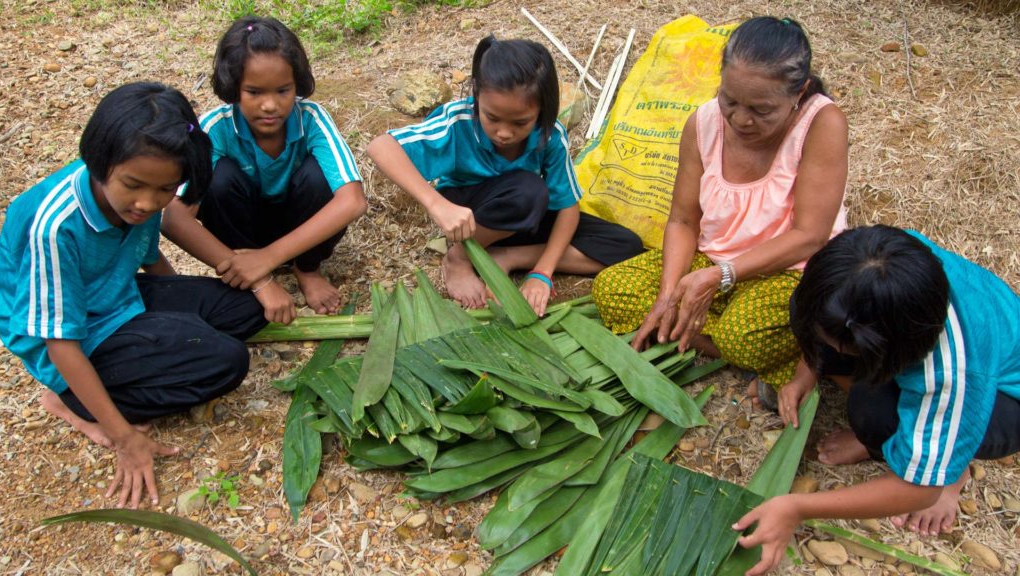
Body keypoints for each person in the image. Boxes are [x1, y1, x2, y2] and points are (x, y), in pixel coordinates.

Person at [0, 82, 269, 509]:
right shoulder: (53, 225)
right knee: (227, 362)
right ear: (100, 160)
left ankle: (130, 364)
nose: (147, 203)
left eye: (165, 191)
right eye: (134, 185)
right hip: (72, 339)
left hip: (116, 297)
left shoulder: (140, 191)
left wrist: (179, 306)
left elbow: (146, 254)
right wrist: (125, 439)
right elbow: (60, 342)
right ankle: (68, 400)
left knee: (247, 308)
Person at [734, 225, 1020, 574]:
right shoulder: (867, 260)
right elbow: (821, 316)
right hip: (926, 342)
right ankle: (914, 440)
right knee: (805, 309)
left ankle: (952, 469)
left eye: (838, 347)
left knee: (874, 414)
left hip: (1004, 401)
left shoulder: (949, 374)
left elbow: (918, 491)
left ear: (890, 354)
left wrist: (797, 507)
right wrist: (805, 372)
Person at [591, 16, 848, 406]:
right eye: (730, 100)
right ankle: (706, 331)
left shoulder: (821, 124)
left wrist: (721, 276)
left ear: (801, 92)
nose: (741, 119)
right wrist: (667, 295)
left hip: (790, 271)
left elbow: (809, 236)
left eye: (761, 110)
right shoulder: (704, 122)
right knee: (613, 290)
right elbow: (682, 219)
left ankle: (759, 347)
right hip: (712, 260)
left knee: (741, 335)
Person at [366, 36, 644, 316]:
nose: (504, 133)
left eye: (520, 122)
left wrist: (542, 273)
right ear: (477, 96)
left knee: (625, 246)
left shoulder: (549, 135)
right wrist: (436, 204)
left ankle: (507, 257)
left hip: (522, 217)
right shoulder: (457, 121)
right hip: (471, 218)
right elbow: (381, 147)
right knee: (528, 192)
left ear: (541, 111)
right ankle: (460, 259)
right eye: (492, 117)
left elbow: (568, 208)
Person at [162, 16, 367, 325]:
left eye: (283, 91)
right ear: (233, 89)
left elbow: (353, 201)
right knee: (218, 180)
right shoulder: (215, 129)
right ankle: (249, 276)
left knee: (317, 178)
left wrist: (270, 257)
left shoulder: (311, 118)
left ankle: (307, 269)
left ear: (297, 84)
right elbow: (174, 217)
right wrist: (260, 277)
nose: (270, 105)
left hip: (300, 228)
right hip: (242, 233)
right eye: (254, 92)